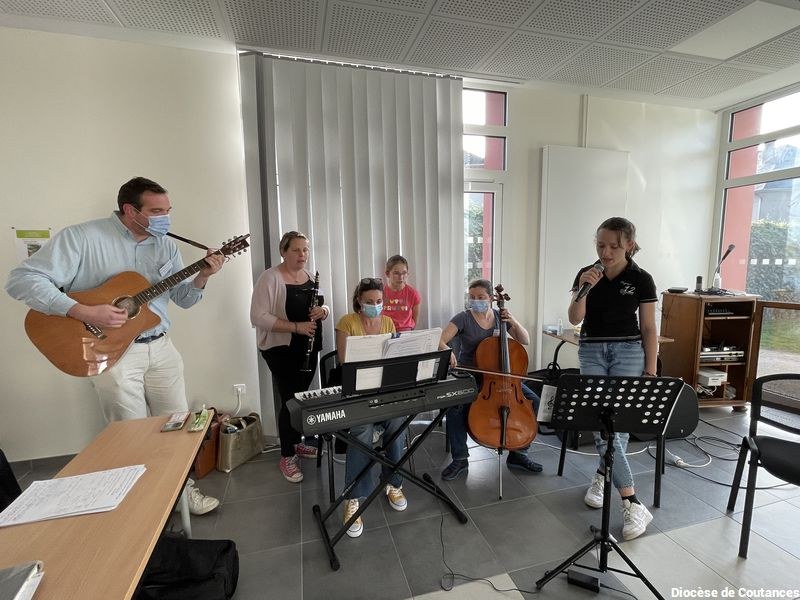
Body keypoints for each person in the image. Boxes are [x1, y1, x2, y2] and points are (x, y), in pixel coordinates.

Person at [5, 176, 224, 515]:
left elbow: (183, 299)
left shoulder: (166, 246)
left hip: (161, 346)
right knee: (131, 435)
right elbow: (21, 280)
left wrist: (203, 276)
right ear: (130, 210)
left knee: (179, 427)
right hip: (110, 352)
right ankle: (141, 509)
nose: (165, 218)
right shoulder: (82, 238)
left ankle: (181, 493)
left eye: (168, 210)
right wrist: (81, 310)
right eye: (156, 211)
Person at [567, 216, 658, 541]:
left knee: (616, 422)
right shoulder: (586, 273)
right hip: (592, 349)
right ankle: (631, 500)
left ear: (629, 245)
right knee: (600, 420)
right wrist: (584, 289)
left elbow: (649, 327)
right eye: (601, 245)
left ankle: (608, 478)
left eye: (614, 247)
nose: (605, 253)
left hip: (629, 351)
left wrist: (650, 371)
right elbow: (574, 317)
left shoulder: (642, 279)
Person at [438, 279, 543, 481]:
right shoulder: (463, 318)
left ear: (492, 298)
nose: (475, 301)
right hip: (472, 374)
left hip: (502, 377)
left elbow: (525, 340)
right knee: (455, 407)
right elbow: (440, 339)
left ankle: (519, 453)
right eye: (472, 297)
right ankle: (460, 459)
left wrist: (513, 321)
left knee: (535, 403)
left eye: (481, 297)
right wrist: (448, 351)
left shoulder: (500, 317)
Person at [250, 231, 330, 483]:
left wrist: (324, 310)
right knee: (289, 401)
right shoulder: (270, 278)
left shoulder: (309, 276)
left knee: (302, 398)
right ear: (283, 251)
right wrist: (296, 327)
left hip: (309, 346)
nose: (302, 254)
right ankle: (287, 455)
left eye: (305, 249)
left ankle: (297, 443)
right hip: (281, 349)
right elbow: (258, 317)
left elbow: (320, 306)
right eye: (296, 249)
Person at [335, 277, 406, 538]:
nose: (375, 305)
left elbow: (393, 358)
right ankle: (353, 497)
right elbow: (345, 360)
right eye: (369, 301)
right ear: (359, 301)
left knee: (397, 423)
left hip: (383, 389)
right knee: (362, 430)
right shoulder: (347, 322)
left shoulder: (388, 323)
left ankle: (393, 483)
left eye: (378, 301)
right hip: (357, 392)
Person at [382, 255, 421, 332]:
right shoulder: (380, 293)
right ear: (387, 274)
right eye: (396, 273)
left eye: (404, 273)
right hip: (386, 331)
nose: (401, 277)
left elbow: (415, 320)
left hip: (405, 332)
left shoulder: (413, 294)